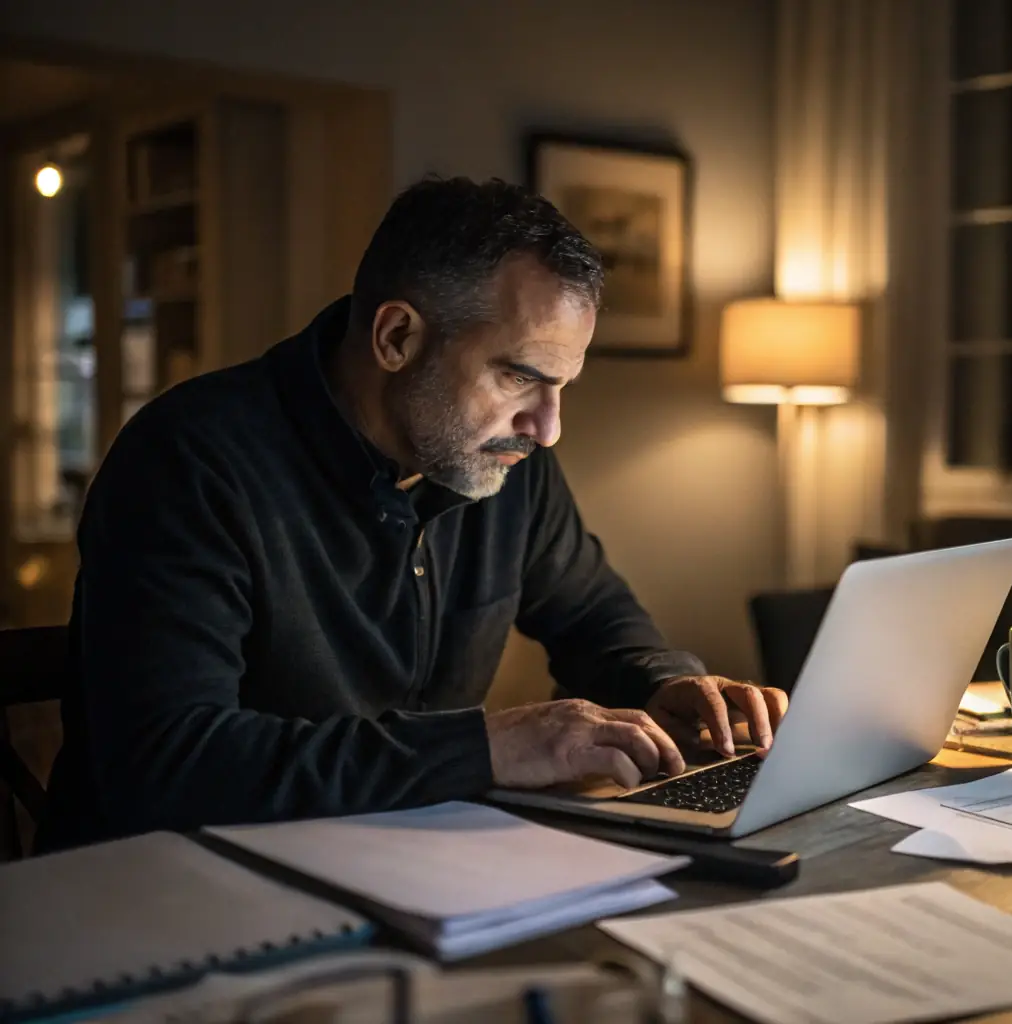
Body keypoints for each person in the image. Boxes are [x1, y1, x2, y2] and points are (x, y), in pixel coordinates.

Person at [39, 176, 788, 851]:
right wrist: (485, 749)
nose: (548, 427)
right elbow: (169, 764)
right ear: (396, 337)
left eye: (562, 386)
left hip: (405, 858)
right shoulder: (190, 461)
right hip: (175, 888)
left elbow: (593, 616)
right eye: (518, 376)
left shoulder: (506, 458)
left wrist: (666, 683)